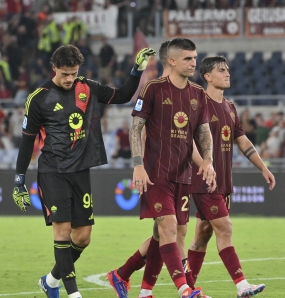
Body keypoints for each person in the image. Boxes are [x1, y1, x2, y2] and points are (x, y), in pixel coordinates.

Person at [12, 44, 156, 298]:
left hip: (80, 171)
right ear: (54, 68)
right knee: (63, 232)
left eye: (73, 73)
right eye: (65, 73)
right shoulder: (39, 98)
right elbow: (27, 140)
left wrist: (136, 70)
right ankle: (73, 294)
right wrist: (19, 179)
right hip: (52, 171)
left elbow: (122, 95)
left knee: (83, 238)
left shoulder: (86, 87)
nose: (69, 79)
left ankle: (51, 280)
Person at [107, 40, 209, 298]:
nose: (194, 62)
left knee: (166, 233)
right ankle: (185, 290)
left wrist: (207, 162)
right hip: (156, 174)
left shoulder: (198, 93)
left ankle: (130, 281)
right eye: (188, 58)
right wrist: (138, 165)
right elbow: (136, 128)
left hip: (183, 175)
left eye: (195, 57)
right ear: (172, 61)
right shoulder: (153, 88)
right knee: (168, 227)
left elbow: (200, 134)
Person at [187, 56, 275, 298]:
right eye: (221, 70)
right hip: (203, 180)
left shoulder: (230, 107)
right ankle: (241, 284)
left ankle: (186, 288)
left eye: (228, 70)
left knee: (202, 236)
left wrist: (263, 167)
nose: (227, 74)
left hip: (224, 182)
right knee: (225, 228)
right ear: (207, 76)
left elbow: (242, 141)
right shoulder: (197, 104)